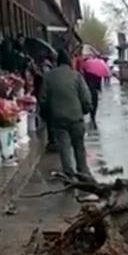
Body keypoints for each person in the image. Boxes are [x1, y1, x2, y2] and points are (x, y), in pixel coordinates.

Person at [39, 49, 92, 179]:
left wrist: (48, 116)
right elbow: (86, 97)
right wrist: (84, 110)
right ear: (69, 62)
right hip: (76, 117)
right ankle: (83, 173)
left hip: (58, 118)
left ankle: (68, 175)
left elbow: (43, 99)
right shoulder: (77, 76)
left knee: (64, 147)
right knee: (79, 146)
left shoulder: (49, 76)